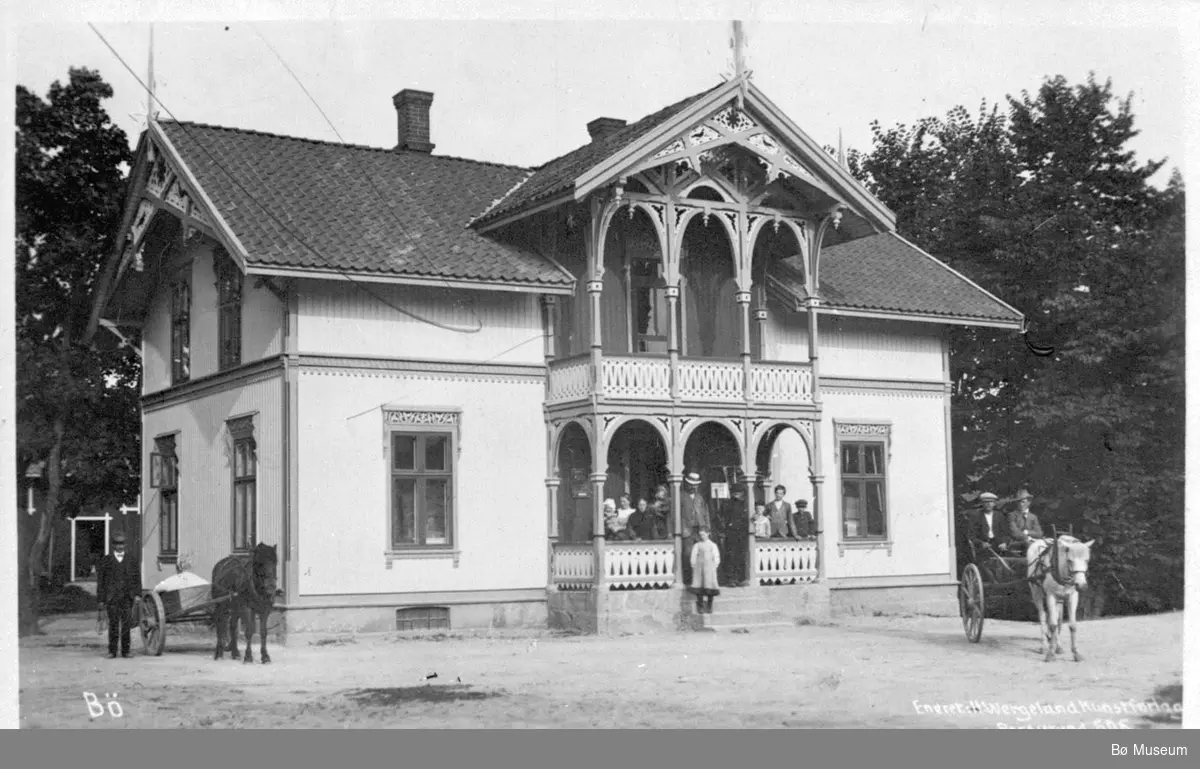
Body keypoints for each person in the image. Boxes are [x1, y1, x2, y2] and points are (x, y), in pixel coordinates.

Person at [96, 531, 141, 659]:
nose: (120, 546)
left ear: (125, 545)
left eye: (122, 544)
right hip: (112, 598)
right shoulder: (106, 560)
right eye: (117, 544)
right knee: (114, 625)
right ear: (113, 545)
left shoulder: (131, 560)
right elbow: (101, 582)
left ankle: (126, 651)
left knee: (127, 625)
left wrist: (137, 594)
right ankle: (112, 651)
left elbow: (137, 578)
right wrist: (100, 600)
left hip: (127, 597)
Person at [678, 471, 712, 584]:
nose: (693, 486)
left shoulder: (699, 497)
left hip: (700, 530)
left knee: (702, 554)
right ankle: (688, 580)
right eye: (691, 484)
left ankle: (700, 579)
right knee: (688, 555)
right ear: (687, 484)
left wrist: (707, 528)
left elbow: (705, 513)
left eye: (695, 484)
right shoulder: (680, 496)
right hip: (687, 530)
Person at [690, 525, 721, 614]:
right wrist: (694, 565)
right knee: (699, 586)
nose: (702, 536)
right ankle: (700, 606)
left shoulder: (712, 545)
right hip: (699, 569)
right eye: (700, 535)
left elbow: (716, 557)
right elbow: (693, 556)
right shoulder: (697, 545)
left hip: (709, 569)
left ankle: (709, 605)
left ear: (708, 534)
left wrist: (714, 566)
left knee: (710, 586)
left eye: (703, 534)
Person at [1006, 489, 1044, 554]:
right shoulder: (1012, 515)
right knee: (1029, 544)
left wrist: (1027, 532)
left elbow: (1039, 533)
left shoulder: (1033, 517)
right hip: (1015, 543)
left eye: (1023, 502)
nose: (1021, 504)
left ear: (1028, 503)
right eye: (1019, 502)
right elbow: (1015, 533)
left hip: (1031, 542)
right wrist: (1027, 538)